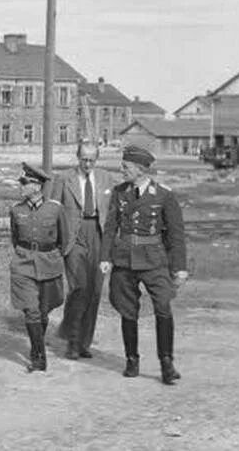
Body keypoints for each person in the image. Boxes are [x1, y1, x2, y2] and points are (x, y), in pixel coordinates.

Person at [99, 145, 187, 385]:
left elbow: (177, 235)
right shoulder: (119, 193)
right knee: (126, 308)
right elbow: (110, 229)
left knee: (163, 306)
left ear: (140, 170)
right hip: (124, 260)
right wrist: (105, 258)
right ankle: (131, 359)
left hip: (154, 260)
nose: (122, 170)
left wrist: (179, 267)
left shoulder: (164, 195)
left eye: (126, 167)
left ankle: (166, 362)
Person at [50, 141, 114, 359]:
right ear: (77, 157)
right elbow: (53, 210)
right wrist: (54, 241)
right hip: (74, 237)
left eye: (92, 160)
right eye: (84, 159)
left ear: (97, 159)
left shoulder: (106, 178)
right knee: (79, 288)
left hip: (98, 234)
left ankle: (85, 342)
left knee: (95, 291)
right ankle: (73, 342)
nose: (88, 164)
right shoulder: (64, 178)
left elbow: (112, 212)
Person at [9, 163, 68, 373]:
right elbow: (15, 238)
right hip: (23, 264)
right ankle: (38, 356)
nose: (21, 186)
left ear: (36, 186)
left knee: (43, 312)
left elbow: (64, 239)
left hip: (48, 263)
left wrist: (52, 256)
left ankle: (37, 346)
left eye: (24, 183)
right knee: (32, 311)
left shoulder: (55, 208)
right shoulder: (16, 210)